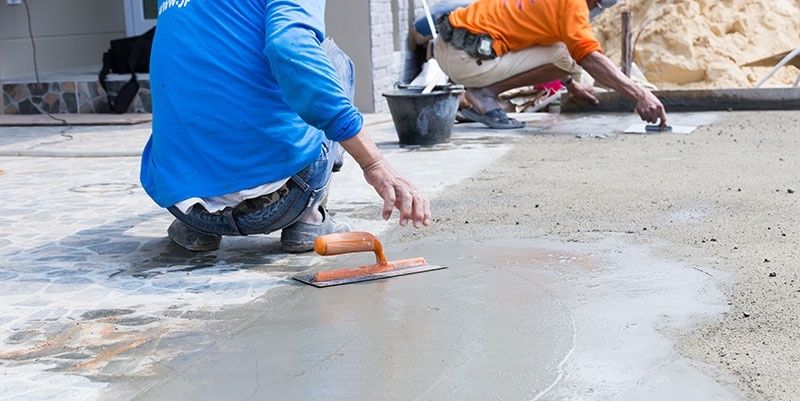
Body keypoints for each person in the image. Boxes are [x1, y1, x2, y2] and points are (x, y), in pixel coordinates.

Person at [140, 1, 430, 253]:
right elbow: (291, 46)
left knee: (197, 57)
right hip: (279, 203)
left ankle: (200, 228)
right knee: (333, 60)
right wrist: (374, 162)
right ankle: (308, 218)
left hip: (182, 203)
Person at [431, 0, 668, 129]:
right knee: (569, 55)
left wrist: (569, 84)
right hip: (466, 59)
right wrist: (640, 95)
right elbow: (588, 57)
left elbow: (533, 33)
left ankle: (480, 93)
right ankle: (484, 94)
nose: (593, 10)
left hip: (448, 46)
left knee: (564, 50)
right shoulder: (573, 6)